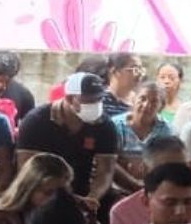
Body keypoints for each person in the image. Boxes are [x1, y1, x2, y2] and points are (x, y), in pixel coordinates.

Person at [16, 72, 120, 208]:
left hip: (84, 192)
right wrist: (63, 197)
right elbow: (26, 169)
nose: (96, 104)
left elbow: (106, 171)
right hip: (41, 191)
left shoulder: (104, 124)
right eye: (89, 100)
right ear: (70, 98)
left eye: (99, 99)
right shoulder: (36, 121)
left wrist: (92, 198)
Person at [107, 136, 191, 224]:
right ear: (144, 170)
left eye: (181, 168)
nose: (174, 175)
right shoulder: (122, 213)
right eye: (165, 170)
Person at [111, 81, 176, 193]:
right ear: (133, 100)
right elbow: (110, 162)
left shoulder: (166, 130)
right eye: (142, 98)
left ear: (161, 106)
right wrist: (135, 184)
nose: (146, 105)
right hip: (119, 187)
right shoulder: (115, 125)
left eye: (154, 101)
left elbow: (169, 163)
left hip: (155, 188)